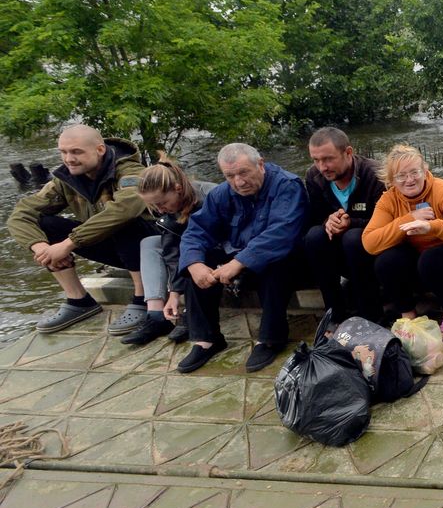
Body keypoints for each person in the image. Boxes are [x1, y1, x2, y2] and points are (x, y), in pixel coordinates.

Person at [7, 124, 155, 334]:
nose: (69, 159)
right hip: (114, 247)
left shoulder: (131, 171)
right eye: (64, 152)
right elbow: (21, 213)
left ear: (100, 150)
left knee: (123, 218)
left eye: (76, 152)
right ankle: (79, 301)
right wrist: (42, 249)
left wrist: (68, 244)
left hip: (154, 249)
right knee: (44, 224)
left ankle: (143, 297)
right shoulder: (66, 179)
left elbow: (126, 209)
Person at [177, 144, 308, 373]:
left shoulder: (287, 185)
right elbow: (197, 230)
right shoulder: (221, 194)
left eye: (244, 172)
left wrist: (238, 263)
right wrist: (194, 264)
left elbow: (282, 233)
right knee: (198, 261)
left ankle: (271, 338)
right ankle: (207, 339)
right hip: (238, 256)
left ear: (261, 164)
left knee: (276, 262)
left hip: (283, 259)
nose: (239, 182)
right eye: (230, 176)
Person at [362, 145, 443, 340]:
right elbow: (370, 242)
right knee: (386, 260)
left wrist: (432, 227)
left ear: (424, 169)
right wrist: (408, 219)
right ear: (391, 180)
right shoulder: (388, 200)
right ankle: (408, 315)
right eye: (401, 176)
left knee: (431, 257)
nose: (409, 180)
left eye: (414, 172)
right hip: (420, 269)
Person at [124, 161, 216, 345]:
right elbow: (171, 251)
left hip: (215, 250)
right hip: (188, 247)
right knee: (150, 243)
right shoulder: (171, 207)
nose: (160, 210)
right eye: (154, 206)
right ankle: (156, 314)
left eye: (162, 203)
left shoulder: (208, 198)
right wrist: (174, 293)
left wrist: (178, 292)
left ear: (178, 189)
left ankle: (190, 311)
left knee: (192, 253)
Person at [303, 127, 386, 323]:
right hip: (339, 251)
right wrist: (328, 221)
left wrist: (351, 223)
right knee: (314, 236)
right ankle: (334, 314)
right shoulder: (314, 176)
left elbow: (385, 222)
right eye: (316, 160)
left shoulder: (375, 175)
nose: (322, 167)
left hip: (370, 252)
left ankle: (371, 316)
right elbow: (317, 216)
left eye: (328, 159)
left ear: (348, 152)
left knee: (353, 237)